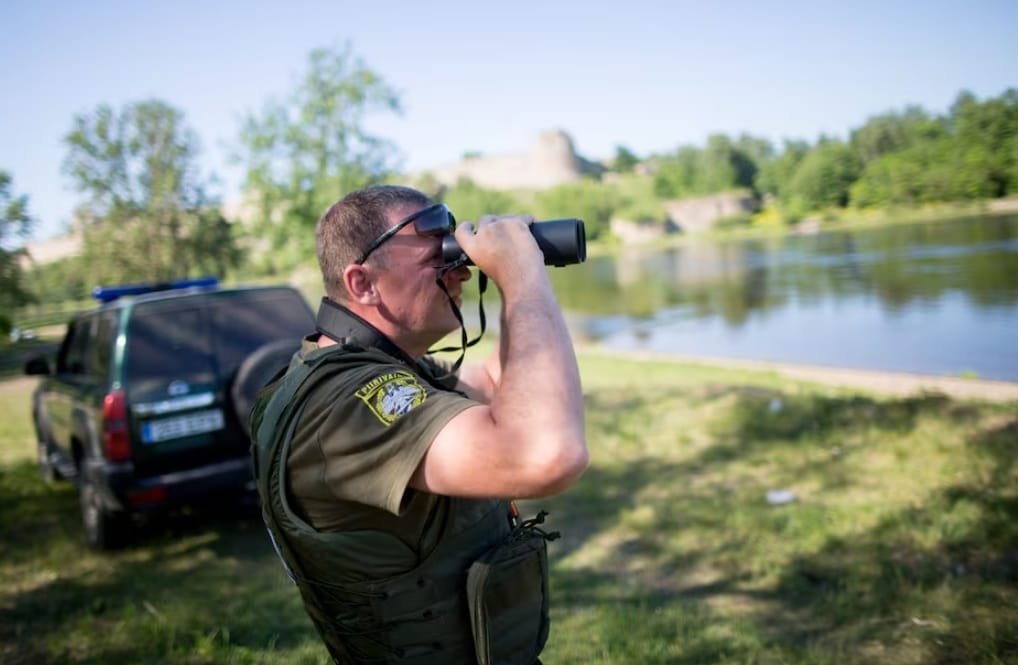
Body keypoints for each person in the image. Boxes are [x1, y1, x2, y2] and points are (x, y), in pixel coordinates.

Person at [249, 184, 588, 664]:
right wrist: (523, 280)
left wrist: (519, 267)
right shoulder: (344, 404)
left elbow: (498, 385)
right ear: (362, 283)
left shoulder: (382, 367)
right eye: (439, 255)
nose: (459, 271)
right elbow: (547, 454)